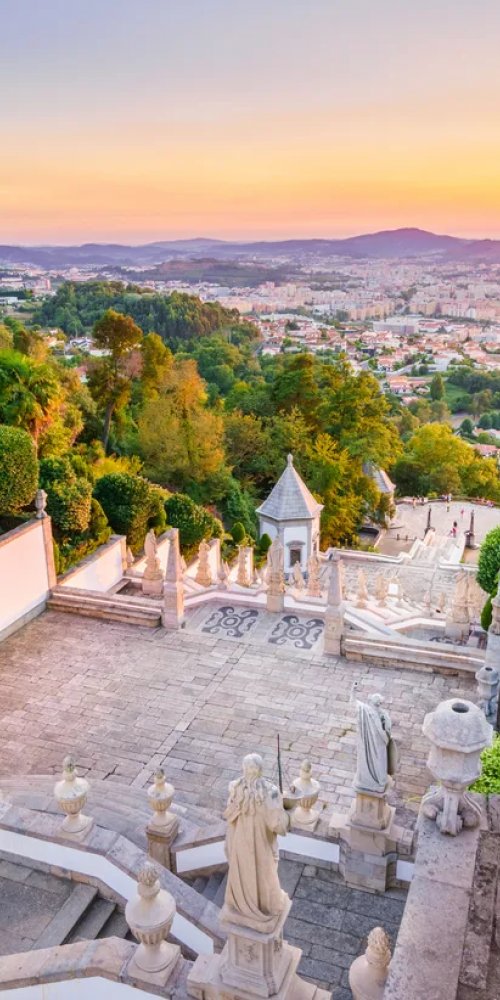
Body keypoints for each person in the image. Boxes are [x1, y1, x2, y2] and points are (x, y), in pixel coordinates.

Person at [222, 753, 291, 933]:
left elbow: (276, 823)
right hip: (240, 843)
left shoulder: (270, 791)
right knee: (242, 872)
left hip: (260, 843)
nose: (249, 771)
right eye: (247, 767)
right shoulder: (236, 788)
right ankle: (242, 906)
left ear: (260, 770)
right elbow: (229, 814)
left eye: (253, 768)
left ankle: (264, 904)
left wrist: (281, 812)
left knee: (264, 873)